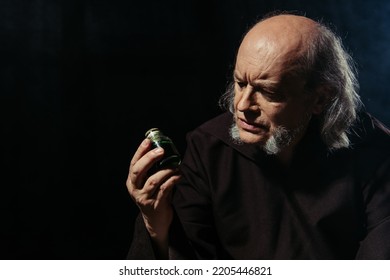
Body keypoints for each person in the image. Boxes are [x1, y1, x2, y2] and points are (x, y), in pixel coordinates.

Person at [126, 12, 390, 259]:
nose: (242, 106)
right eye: (240, 84)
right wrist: (155, 224)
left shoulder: (376, 151)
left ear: (320, 98)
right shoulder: (207, 148)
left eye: (269, 93)